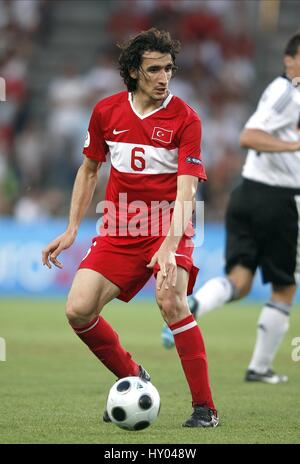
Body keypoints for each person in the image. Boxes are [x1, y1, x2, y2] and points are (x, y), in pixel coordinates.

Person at [42, 28, 219, 428]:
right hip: (119, 227)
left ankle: (205, 409)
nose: (163, 78)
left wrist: (170, 245)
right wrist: (71, 229)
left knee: (171, 301)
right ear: (133, 71)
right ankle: (134, 376)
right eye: (154, 70)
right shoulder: (106, 112)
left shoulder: (186, 119)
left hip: (168, 223)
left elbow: (187, 189)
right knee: (78, 310)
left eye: (169, 69)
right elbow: (89, 170)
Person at [161, 32, 300, 385]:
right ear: (290, 59)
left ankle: (197, 304)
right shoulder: (289, 92)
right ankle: (259, 367)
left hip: (248, 194)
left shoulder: (281, 92)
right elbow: (248, 136)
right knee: (284, 287)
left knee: (239, 280)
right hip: (280, 200)